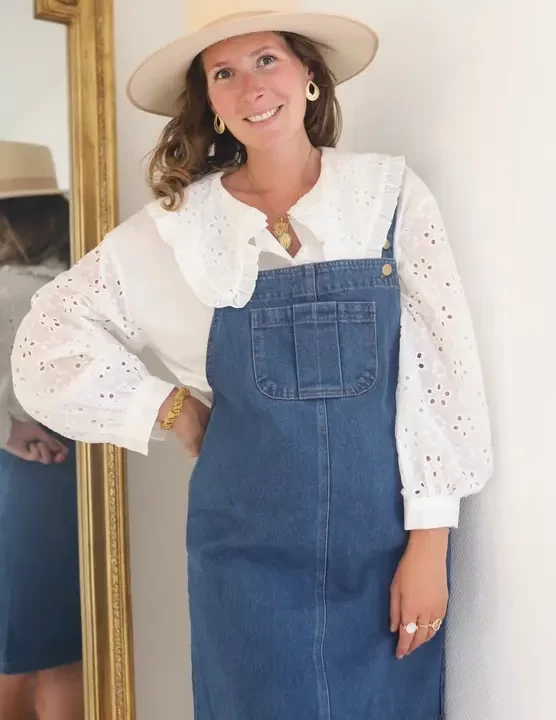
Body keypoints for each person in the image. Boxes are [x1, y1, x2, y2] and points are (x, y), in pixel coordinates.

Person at [12, 2, 493, 718]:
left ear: (308, 74)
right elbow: (45, 342)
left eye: (267, 59)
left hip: (383, 552)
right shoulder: (177, 230)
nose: (251, 87)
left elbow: (439, 369)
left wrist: (429, 543)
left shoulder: (385, 196)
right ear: (208, 103)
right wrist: (168, 408)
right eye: (224, 73)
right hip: (244, 565)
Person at [0, 141, 83, 720]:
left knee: (23, 648)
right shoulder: (74, 286)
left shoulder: (9, 290)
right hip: (64, 472)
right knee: (58, 648)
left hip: (23, 475)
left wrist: (8, 433)